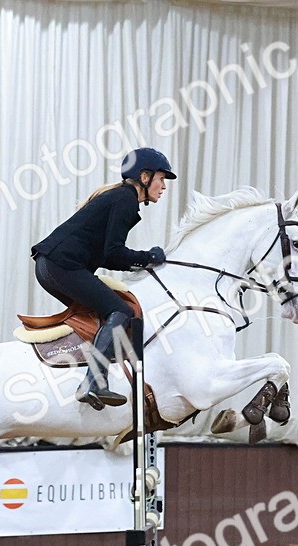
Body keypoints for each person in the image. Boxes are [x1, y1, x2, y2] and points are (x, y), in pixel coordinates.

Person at [31, 147, 175, 410]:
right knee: (120, 310)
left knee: (104, 311)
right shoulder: (125, 199)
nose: (164, 186)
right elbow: (115, 252)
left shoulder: (120, 197)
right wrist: (148, 257)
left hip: (51, 265)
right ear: (144, 176)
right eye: (161, 179)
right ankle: (93, 382)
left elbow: (107, 257)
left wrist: (140, 264)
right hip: (60, 265)